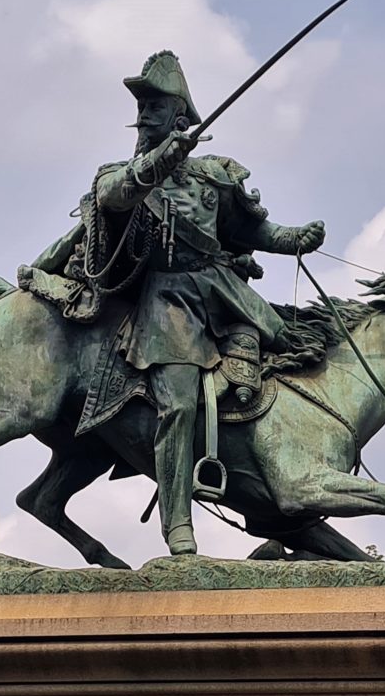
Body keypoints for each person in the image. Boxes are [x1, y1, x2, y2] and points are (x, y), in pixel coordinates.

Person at [21, 51, 325, 556]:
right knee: (179, 403)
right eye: (140, 108)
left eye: (154, 107)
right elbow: (117, 196)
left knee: (291, 367)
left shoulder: (214, 176)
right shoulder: (121, 173)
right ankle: (179, 524)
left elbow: (249, 229)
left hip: (227, 296)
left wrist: (295, 237)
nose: (142, 116)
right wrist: (161, 160)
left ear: (180, 115)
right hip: (169, 304)